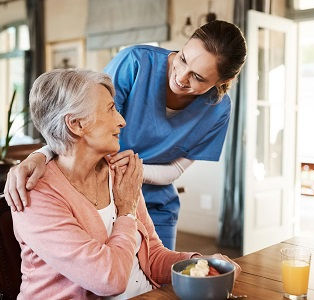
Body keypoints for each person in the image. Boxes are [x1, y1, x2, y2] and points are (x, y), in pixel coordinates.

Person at [5, 20, 247, 250]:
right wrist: (40, 155)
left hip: (155, 203)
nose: (181, 77)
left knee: (158, 286)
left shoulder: (218, 110)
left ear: (223, 81)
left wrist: (133, 173)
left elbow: (176, 170)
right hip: (97, 196)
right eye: (182, 59)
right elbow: (79, 122)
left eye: (198, 77)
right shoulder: (136, 63)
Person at [11, 69, 240, 299]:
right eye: (111, 109)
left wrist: (199, 264)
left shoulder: (119, 173)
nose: (122, 121)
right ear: (76, 124)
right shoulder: (35, 195)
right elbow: (109, 280)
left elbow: (153, 257)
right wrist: (127, 211)